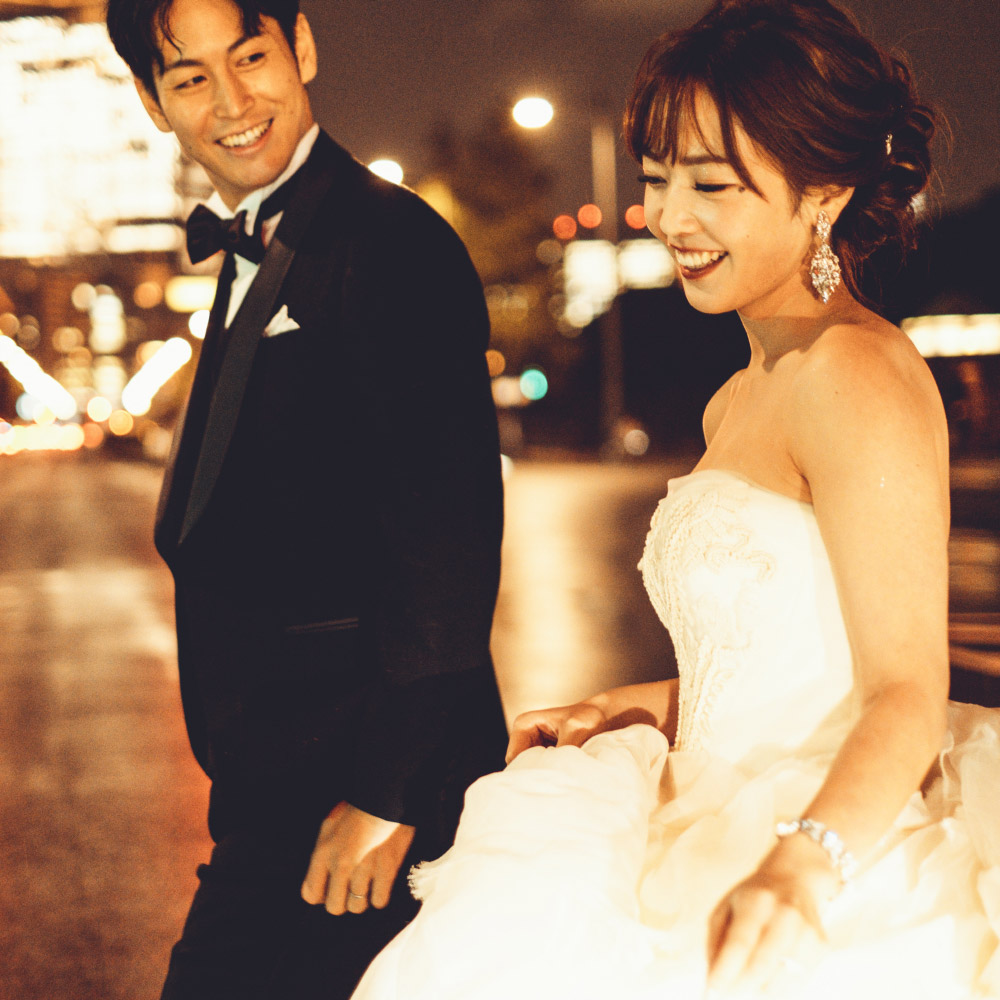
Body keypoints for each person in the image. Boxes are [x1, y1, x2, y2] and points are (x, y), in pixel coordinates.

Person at [349, 2, 1000, 998]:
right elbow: (793, 660)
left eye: (711, 183)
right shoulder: (738, 394)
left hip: (820, 841)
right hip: (707, 802)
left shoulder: (854, 372)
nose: (669, 216)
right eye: (657, 178)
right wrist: (637, 703)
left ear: (822, 192)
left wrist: (803, 864)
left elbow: (905, 694)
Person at [104, 1, 508, 997]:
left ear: (303, 47)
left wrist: (386, 794)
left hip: (362, 793)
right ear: (154, 102)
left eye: (251, 56)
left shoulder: (391, 242)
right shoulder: (263, 240)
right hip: (274, 787)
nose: (231, 101)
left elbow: (447, 540)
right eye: (190, 77)